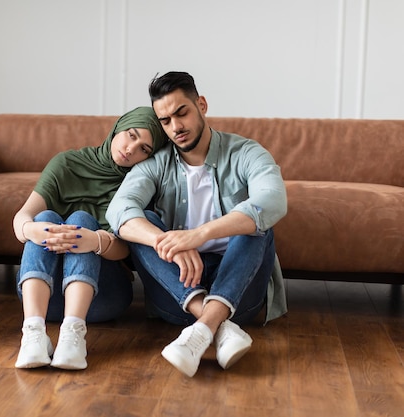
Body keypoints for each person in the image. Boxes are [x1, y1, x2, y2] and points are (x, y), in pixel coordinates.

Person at [106, 72, 288, 377]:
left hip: (240, 290)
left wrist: (198, 235)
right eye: (165, 121)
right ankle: (214, 326)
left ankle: (203, 328)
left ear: (201, 105)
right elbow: (119, 210)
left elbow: (273, 201)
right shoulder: (157, 163)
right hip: (179, 294)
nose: (175, 127)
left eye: (182, 113)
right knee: (144, 224)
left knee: (253, 222)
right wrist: (168, 245)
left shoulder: (245, 152)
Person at [12, 106, 168, 370]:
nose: (131, 149)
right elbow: (22, 218)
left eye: (144, 149)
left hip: (103, 299)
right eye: (131, 135)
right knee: (44, 215)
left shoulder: (141, 182)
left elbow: (130, 251)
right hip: (44, 299)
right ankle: (33, 334)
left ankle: (74, 334)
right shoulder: (66, 164)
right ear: (118, 127)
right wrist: (34, 230)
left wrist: (94, 241)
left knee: (82, 220)